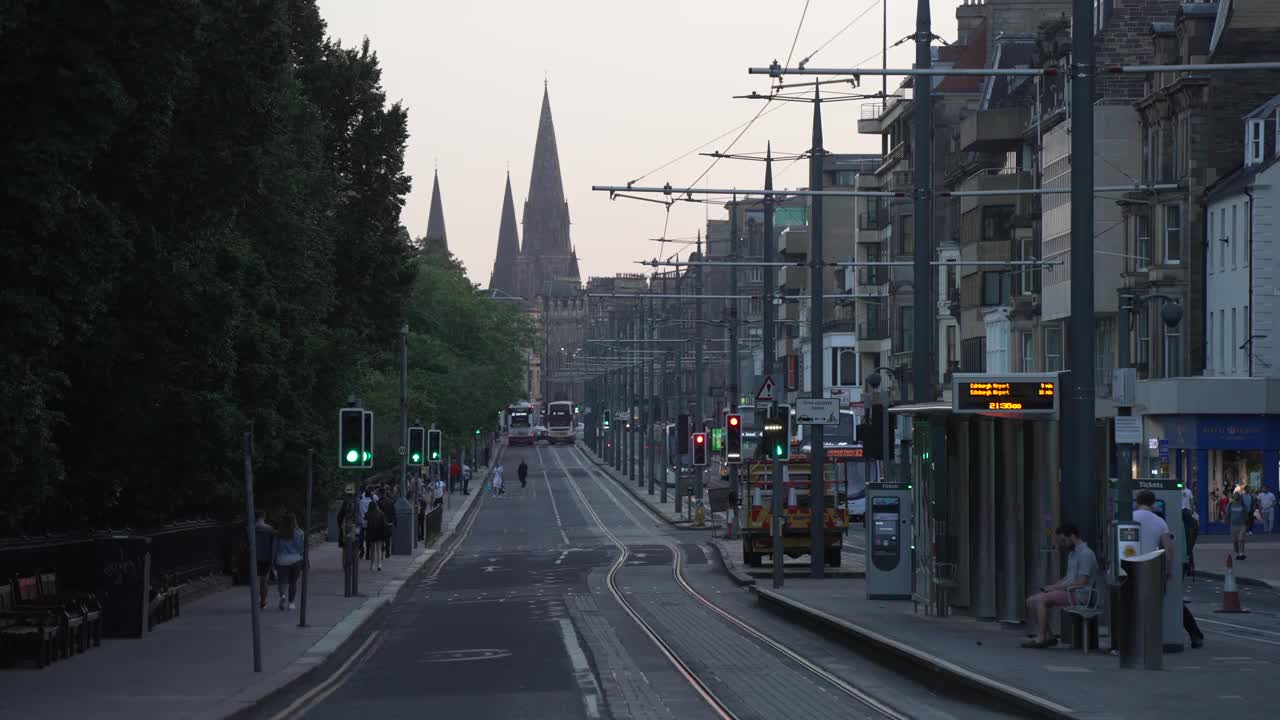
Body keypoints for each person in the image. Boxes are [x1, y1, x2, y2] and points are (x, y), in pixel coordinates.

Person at [1135, 490, 1204, 648]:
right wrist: (1167, 570)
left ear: (1137, 501)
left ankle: (1140, 639)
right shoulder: (1160, 522)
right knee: (1166, 602)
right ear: (1153, 503)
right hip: (1154, 568)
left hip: (1133, 567)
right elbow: (1168, 548)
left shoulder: (1130, 517)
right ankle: (1193, 634)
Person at [1022, 523, 1098, 649]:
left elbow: (1082, 582)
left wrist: (1054, 589)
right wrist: (1052, 586)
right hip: (1070, 592)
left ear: (1072, 536)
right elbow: (1068, 578)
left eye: (1063, 540)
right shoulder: (1073, 554)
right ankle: (1049, 636)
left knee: (1041, 599)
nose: (1063, 544)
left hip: (1080, 594)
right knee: (1031, 601)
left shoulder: (1086, 554)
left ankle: (1041, 638)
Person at [273, 513, 306, 610]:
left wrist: (273, 561)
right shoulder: (299, 533)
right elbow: (301, 549)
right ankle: (291, 603)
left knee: (282, 581)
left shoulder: (278, 534)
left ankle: (282, 595)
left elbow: (274, 549)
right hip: (296, 559)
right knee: (293, 582)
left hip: (282, 560)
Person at [253, 511, 275, 610]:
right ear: (264, 516)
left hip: (254, 557)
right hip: (266, 557)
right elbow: (273, 544)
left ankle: (254, 601)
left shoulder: (250, 528)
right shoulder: (269, 529)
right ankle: (263, 601)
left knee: (255, 580)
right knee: (264, 581)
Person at [365, 497, 389, 571]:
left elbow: (366, 525)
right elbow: (384, 524)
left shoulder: (368, 514)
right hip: (379, 533)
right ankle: (379, 564)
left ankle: (372, 565)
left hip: (372, 534)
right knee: (379, 549)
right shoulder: (381, 513)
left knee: (372, 550)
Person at [1228, 489, 1249, 560]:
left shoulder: (1243, 505)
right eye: (1235, 495)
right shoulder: (1230, 504)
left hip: (1242, 525)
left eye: (1237, 495)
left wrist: (1247, 524)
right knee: (1235, 541)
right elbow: (1227, 513)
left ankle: (1241, 554)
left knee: (1241, 539)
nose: (1236, 497)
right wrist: (1225, 520)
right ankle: (1237, 553)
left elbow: (1246, 515)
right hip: (1233, 525)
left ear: (1239, 497)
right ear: (1233, 497)